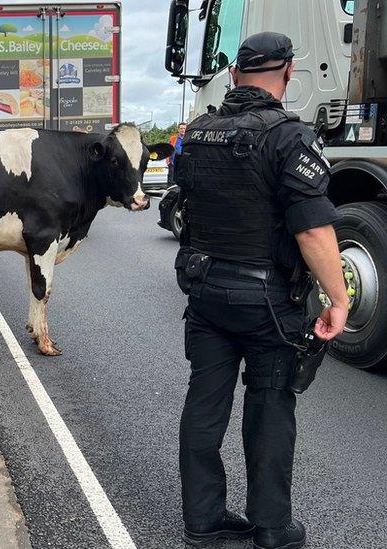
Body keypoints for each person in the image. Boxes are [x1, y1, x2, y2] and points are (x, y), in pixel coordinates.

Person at [173, 32, 348, 549]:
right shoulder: (290, 135)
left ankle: (202, 521)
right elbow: (313, 230)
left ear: (232, 75)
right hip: (269, 304)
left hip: (205, 294)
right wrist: (338, 300)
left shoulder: (198, 132)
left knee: (204, 404)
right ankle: (271, 528)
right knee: (270, 406)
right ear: (289, 71)